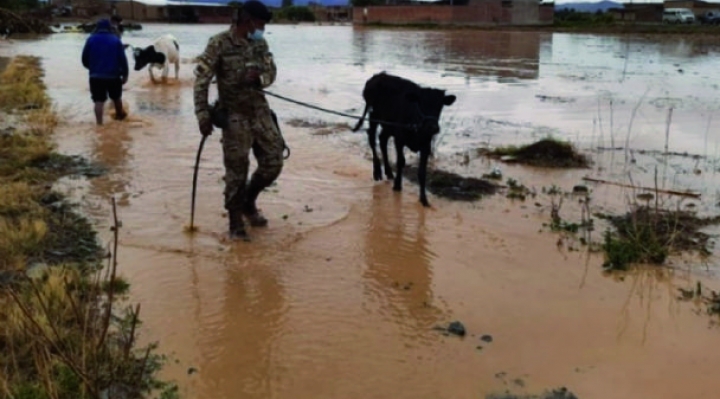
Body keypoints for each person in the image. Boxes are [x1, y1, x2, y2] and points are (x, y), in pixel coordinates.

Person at [193, 0, 283, 241]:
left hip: (260, 112)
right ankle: (235, 223)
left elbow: (271, 72)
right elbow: (201, 80)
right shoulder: (219, 43)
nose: (262, 28)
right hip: (234, 115)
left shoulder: (260, 43)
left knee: (273, 162)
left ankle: (249, 202)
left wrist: (259, 79)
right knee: (236, 171)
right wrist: (203, 114)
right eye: (261, 23)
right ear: (248, 20)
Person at [81, 18, 128, 125]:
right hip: (114, 76)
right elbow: (123, 59)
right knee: (116, 98)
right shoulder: (116, 40)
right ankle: (120, 117)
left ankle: (99, 124)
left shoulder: (91, 39)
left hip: (95, 76)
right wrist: (125, 75)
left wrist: (92, 68)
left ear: (97, 27)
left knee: (99, 101)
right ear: (109, 28)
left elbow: (84, 59)